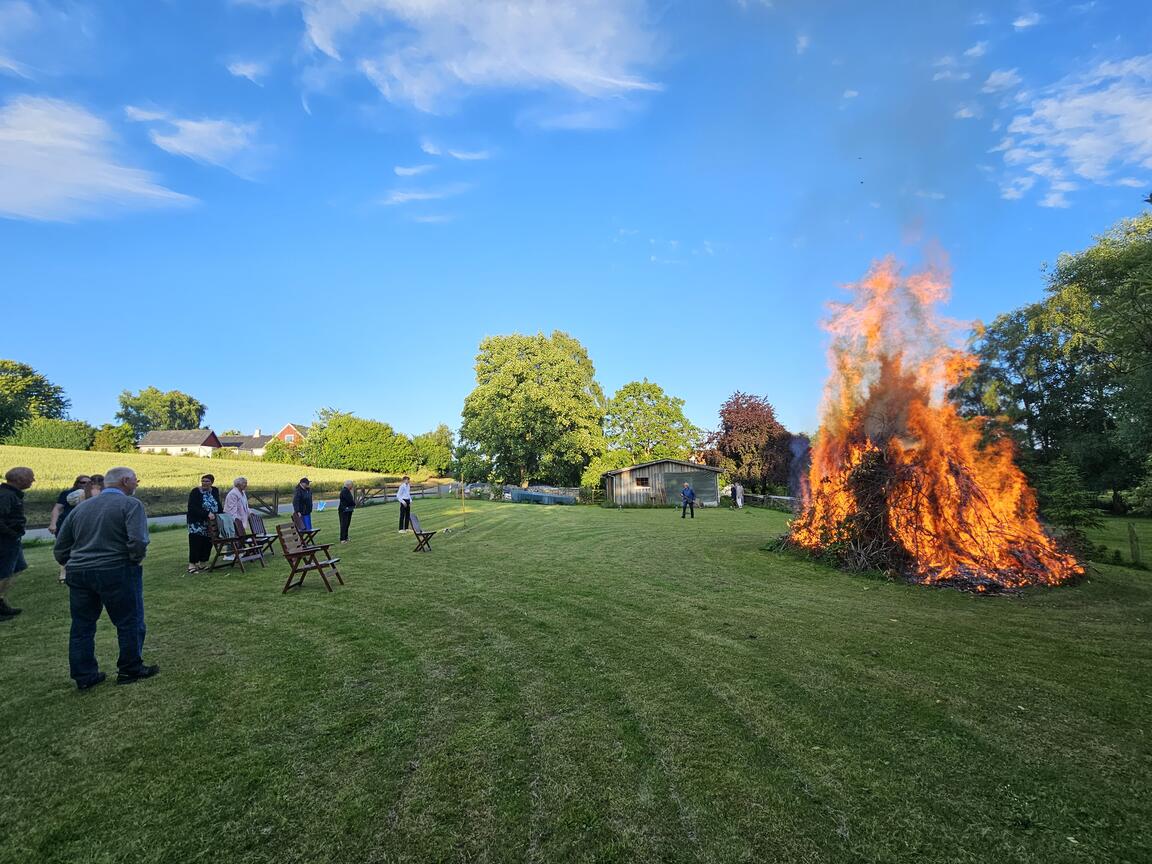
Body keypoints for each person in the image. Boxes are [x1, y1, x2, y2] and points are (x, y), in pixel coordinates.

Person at [53, 466, 158, 690]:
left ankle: (84, 675)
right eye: (135, 480)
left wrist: (69, 562)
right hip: (116, 569)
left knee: (82, 626)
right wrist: (135, 559)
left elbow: (61, 546)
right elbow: (138, 540)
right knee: (129, 621)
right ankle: (130, 669)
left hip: (80, 573)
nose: (137, 484)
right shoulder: (131, 505)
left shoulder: (81, 509)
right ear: (125, 481)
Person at [0, 466, 35, 621]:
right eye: (30, 477)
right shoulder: (6, 496)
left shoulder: (11, 494)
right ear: (19, 479)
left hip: (12, 539)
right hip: (5, 540)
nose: (33, 480)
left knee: (17, 568)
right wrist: (11, 533)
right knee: (4, 572)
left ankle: (1, 601)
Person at [186, 473, 222, 574]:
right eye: (203, 481)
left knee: (208, 542)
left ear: (212, 482)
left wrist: (220, 514)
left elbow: (218, 503)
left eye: (207, 481)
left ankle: (203, 563)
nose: (204, 483)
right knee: (196, 542)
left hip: (210, 523)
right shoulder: (195, 492)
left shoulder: (214, 490)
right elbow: (192, 507)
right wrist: (206, 514)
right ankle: (192, 565)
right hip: (197, 522)